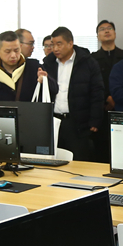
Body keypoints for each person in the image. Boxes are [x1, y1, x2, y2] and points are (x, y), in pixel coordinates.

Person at [42, 27, 104, 161]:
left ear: (70, 44)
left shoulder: (87, 62)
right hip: (54, 121)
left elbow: (97, 92)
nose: (55, 48)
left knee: (79, 161)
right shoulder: (48, 63)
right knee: (55, 160)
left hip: (78, 122)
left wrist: (95, 119)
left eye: (59, 44)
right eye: (53, 44)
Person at [0, 30, 43, 102]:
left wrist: (45, 80)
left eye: (16, 50)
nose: (13, 55)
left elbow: (51, 91)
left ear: (20, 47)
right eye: (8, 51)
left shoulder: (34, 67)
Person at [93, 20, 123, 110]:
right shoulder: (92, 58)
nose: (107, 31)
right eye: (102, 29)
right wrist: (107, 98)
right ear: (97, 37)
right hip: (101, 106)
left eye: (110, 28)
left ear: (115, 34)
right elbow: (92, 83)